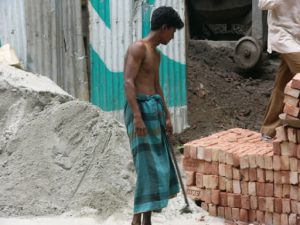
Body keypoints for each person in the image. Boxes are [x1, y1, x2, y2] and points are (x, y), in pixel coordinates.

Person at [123, 6, 184, 225]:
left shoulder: (156, 54)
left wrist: (168, 116)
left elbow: (157, 86)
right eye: (173, 31)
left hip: (154, 109)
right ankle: (135, 220)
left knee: (156, 166)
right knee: (145, 165)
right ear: (164, 27)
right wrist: (137, 117)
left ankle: (144, 219)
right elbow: (128, 82)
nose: (173, 36)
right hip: (138, 109)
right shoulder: (138, 48)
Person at [259, 0, 300, 140]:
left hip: (297, 39)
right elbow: (263, 4)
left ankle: (269, 130)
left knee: (283, 85)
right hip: (283, 37)